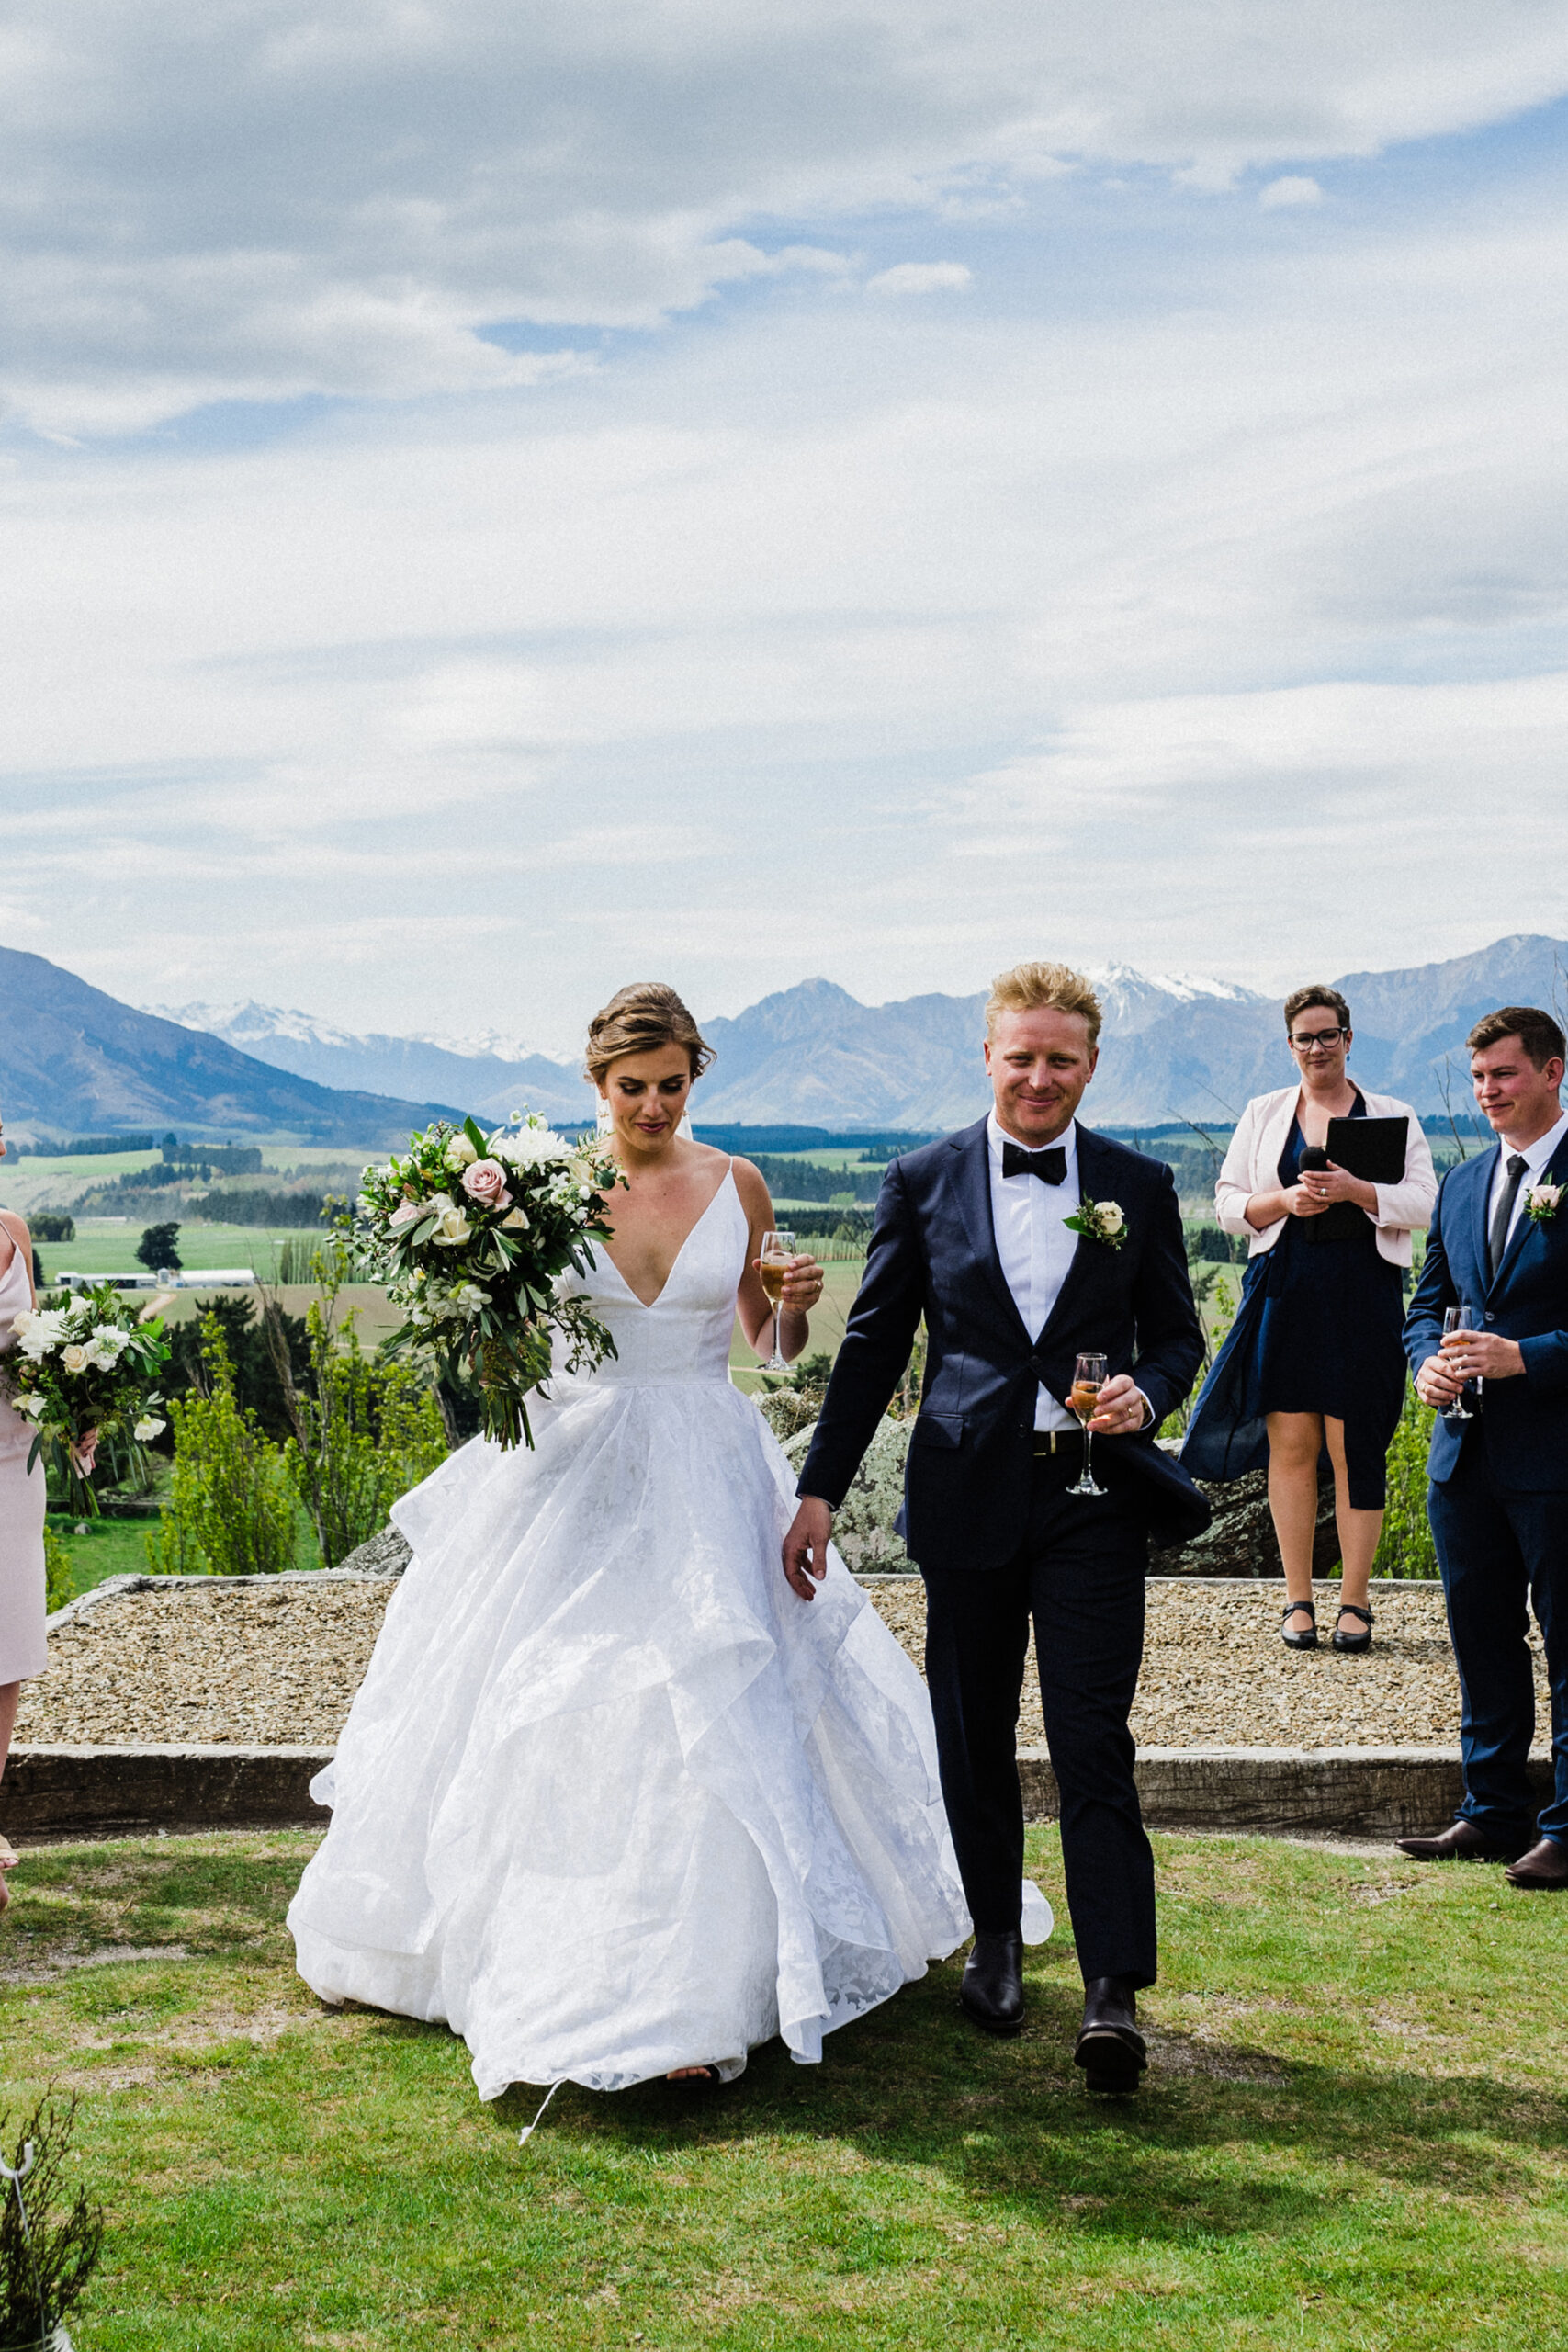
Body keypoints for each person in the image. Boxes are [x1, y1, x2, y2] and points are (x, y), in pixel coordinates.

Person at [289, 982, 972, 2096]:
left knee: (707, 1705)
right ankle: (555, 1951)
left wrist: (793, 1297)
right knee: (570, 1706)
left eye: (670, 1085)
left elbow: (774, 1341)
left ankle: (698, 1991)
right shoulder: (543, 1194)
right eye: (630, 1088)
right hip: (579, 1473)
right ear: (594, 1083)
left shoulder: (737, 1183)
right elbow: (508, 1361)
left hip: (708, 1464)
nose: (651, 1106)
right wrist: (478, 1309)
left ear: (695, 1078)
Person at [784, 961, 1208, 2096]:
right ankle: (998, 1943)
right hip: (967, 1494)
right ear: (987, 1056)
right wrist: (820, 1488)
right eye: (1019, 1055)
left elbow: (1178, 1335)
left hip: (1092, 1501)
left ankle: (1115, 1988)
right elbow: (873, 1345)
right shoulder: (921, 1179)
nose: (1038, 1076)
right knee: (971, 1735)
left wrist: (1148, 1396)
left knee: (1090, 1736)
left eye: (1059, 1058)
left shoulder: (1140, 1182)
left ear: (1091, 1066)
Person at [1181, 986, 1436, 1654]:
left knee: (1357, 1449)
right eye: (1304, 1037)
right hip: (1283, 1292)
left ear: (1349, 1039)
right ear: (1288, 1045)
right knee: (1291, 1449)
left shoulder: (1393, 1114)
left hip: (1363, 1295)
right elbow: (1228, 1205)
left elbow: (1424, 1204)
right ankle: (1297, 1600)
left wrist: (1357, 1191)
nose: (1317, 1047)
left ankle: (1355, 1602)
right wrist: (1285, 1201)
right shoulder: (1263, 1113)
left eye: (1328, 1035)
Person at [1397, 1005, 1568, 1888]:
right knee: (1481, 1638)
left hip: (1558, 1458)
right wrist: (1427, 1363)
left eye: (1502, 1075)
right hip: (1461, 1458)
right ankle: (1490, 1811)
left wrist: (1525, 1358)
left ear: (1551, 1072)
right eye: (1476, 1079)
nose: (1486, 1093)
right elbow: (1427, 1304)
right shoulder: (1462, 1185)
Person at [0, 1107, 46, 1919]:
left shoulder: (14, 1230)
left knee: (5, 1649)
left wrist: (81, 1401)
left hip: (12, 1458)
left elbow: (34, 1346)